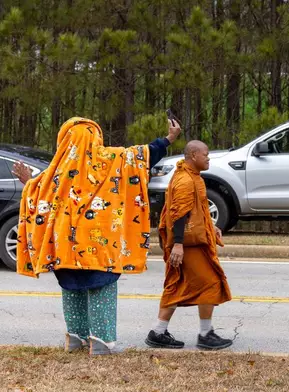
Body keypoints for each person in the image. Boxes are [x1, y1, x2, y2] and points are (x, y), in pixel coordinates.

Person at [12, 117, 180, 355]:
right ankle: (101, 342)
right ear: (96, 137)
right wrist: (168, 139)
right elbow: (144, 156)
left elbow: (37, 194)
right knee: (101, 289)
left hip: (65, 248)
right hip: (102, 246)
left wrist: (28, 181)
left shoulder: (57, 172)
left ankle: (75, 338)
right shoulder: (113, 159)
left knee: (71, 289)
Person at [145, 140, 233, 350]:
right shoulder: (185, 180)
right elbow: (179, 215)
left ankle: (158, 332)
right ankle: (205, 335)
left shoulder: (192, 177)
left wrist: (211, 227)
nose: (208, 158)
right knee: (210, 282)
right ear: (193, 155)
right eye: (206, 154)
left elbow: (196, 210)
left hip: (189, 242)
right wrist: (177, 245)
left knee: (177, 284)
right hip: (188, 244)